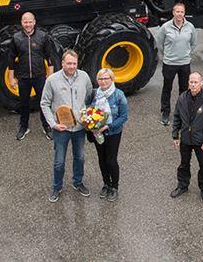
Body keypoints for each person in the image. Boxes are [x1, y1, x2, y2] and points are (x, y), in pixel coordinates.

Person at [40, 49, 93, 202]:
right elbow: (44, 103)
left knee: (80, 158)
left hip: (79, 128)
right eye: (69, 63)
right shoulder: (52, 80)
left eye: (74, 63)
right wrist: (53, 124)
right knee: (59, 161)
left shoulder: (84, 77)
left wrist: (88, 117)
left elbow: (90, 97)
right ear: (62, 63)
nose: (72, 66)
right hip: (61, 129)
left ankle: (78, 182)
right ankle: (57, 187)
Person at [170, 72, 203, 203]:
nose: (193, 85)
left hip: (201, 141)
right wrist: (175, 135)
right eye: (191, 82)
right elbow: (177, 117)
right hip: (186, 139)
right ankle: (182, 185)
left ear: (201, 83)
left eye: (196, 82)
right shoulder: (182, 98)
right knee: (184, 164)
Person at [8, 12, 57, 141]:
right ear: (22, 22)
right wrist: (11, 78)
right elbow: (11, 59)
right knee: (24, 103)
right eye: (25, 22)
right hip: (23, 77)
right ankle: (24, 127)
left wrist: (50, 76)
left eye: (30, 22)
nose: (28, 24)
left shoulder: (43, 36)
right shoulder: (16, 38)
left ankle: (47, 126)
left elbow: (50, 56)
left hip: (39, 76)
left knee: (43, 103)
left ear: (34, 22)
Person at [155, 2, 197, 126]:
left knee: (184, 90)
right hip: (169, 63)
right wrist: (167, 55)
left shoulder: (190, 27)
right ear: (173, 13)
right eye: (177, 11)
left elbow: (193, 43)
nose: (179, 14)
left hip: (184, 63)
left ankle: (181, 112)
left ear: (184, 13)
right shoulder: (165, 27)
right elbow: (160, 44)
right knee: (167, 88)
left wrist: (186, 54)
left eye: (182, 12)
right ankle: (165, 113)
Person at [90, 68, 129, 202]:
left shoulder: (119, 95)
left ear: (112, 79)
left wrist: (108, 126)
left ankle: (114, 187)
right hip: (97, 133)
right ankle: (106, 184)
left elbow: (124, 116)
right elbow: (88, 109)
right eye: (100, 79)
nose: (103, 81)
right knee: (101, 159)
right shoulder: (94, 94)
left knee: (111, 160)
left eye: (106, 78)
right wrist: (91, 125)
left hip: (113, 132)